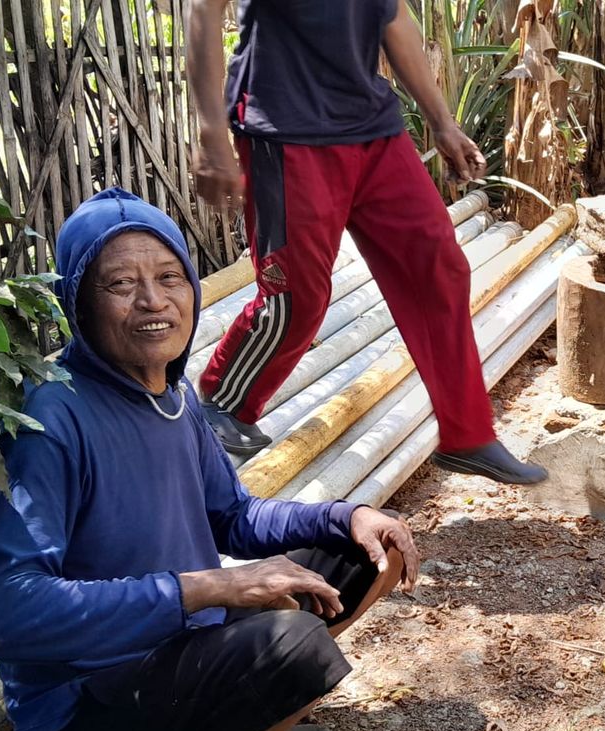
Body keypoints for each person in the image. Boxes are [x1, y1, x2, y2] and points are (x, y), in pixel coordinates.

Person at [0, 189, 422, 731]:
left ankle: (242, 722)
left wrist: (349, 514)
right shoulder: (53, 417)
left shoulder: (172, 397)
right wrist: (207, 587)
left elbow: (234, 516)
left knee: (367, 550)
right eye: (121, 283)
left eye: (169, 277)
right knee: (296, 647)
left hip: (179, 646)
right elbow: (1, 615)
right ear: (79, 302)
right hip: (87, 710)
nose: (153, 301)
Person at [186, 0, 547, 484]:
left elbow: (393, 17)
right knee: (297, 299)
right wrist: (212, 131)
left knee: (437, 267)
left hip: (373, 128)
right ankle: (223, 401)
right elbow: (204, 11)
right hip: (286, 130)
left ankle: (468, 435)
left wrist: (441, 120)